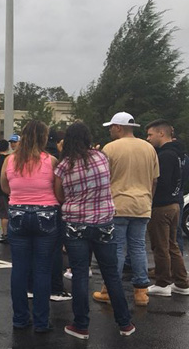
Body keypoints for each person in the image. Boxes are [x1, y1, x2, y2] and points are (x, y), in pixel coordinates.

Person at [54, 122, 135, 339]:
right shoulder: (101, 157)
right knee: (111, 274)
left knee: (80, 274)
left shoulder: (64, 165)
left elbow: (59, 195)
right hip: (103, 223)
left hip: (75, 223)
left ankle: (81, 326)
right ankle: (125, 323)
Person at [93, 112, 158, 307]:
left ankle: (109, 290)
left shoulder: (110, 148)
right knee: (138, 247)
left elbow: (102, 179)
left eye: (111, 127)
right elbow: (154, 180)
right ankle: (141, 292)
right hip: (142, 204)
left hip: (118, 204)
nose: (110, 131)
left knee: (117, 248)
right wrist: (148, 199)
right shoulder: (148, 148)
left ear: (118, 127)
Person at [0, 120, 59, 333]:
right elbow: (58, 189)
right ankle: (41, 322)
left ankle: (20, 318)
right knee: (42, 269)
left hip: (18, 212)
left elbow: (4, 186)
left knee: (19, 268)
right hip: (46, 213)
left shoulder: (10, 160)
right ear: (44, 138)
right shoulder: (51, 161)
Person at [144, 119, 189, 297]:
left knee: (160, 246)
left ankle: (162, 283)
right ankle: (181, 282)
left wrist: (150, 199)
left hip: (161, 206)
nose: (148, 138)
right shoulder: (180, 155)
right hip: (175, 203)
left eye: (150, 134)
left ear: (161, 133)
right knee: (172, 245)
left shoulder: (165, 156)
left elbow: (160, 182)